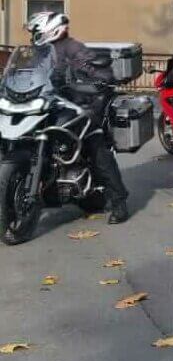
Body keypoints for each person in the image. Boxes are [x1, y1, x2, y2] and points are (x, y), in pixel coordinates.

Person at [26, 11, 130, 224]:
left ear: (51, 29)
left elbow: (100, 73)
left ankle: (119, 200)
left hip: (83, 102)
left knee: (95, 143)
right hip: (52, 103)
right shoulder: (41, 52)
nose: (33, 36)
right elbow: (29, 74)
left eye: (36, 31)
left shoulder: (74, 48)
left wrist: (93, 79)